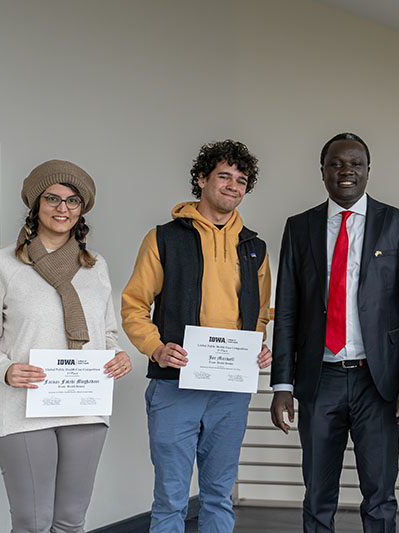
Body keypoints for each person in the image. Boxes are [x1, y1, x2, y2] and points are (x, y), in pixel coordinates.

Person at [270, 132, 399, 532]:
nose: (346, 171)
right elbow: (287, 310)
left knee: (379, 495)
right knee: (318, 495)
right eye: (336, 163)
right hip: (319, 379)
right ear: (322, 171)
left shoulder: (398, 224)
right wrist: (281, 386)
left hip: (379, 383)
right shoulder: (299, 227)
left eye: (355, 164)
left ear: (368, 171)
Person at [121, 140, 272, 533]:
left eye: (241, 180)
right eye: (224, 176)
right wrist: (156, 348)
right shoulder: (164, 239)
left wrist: (257, 347)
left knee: (219, 495)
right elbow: (134, 305)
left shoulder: (255, 247)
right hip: (175, 385)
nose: (233, 186)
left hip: (230, 390)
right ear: (202, 179)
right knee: (171, 498)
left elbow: (258, 315)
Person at [0, 160, 131, 532]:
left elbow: (107, 333)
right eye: (52, 198)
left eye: (72, 201)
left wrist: (118, 357)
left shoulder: (95, 265)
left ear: (81, 209)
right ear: (36, 205)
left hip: (84, 408)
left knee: (70, 521)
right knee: (32, 521)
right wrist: (4, 368)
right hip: (22, 409)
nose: (62, 208)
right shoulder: (2, 265)